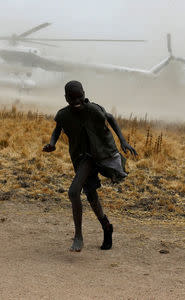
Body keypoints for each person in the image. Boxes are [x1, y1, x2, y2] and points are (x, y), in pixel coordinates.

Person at [43, 80, 137, 252]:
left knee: (75, 192)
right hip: (83, 158)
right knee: (87, 195)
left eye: (80, 97)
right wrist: (52, 143)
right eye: (72, 99)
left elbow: (110, 118)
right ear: (66, 98)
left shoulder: (94, 109)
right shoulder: (64, 115)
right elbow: (58, 128)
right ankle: (106, 226)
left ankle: (79, 236)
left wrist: (123, 141)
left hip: (102, 154)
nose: (77, 102)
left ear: (84, 94)